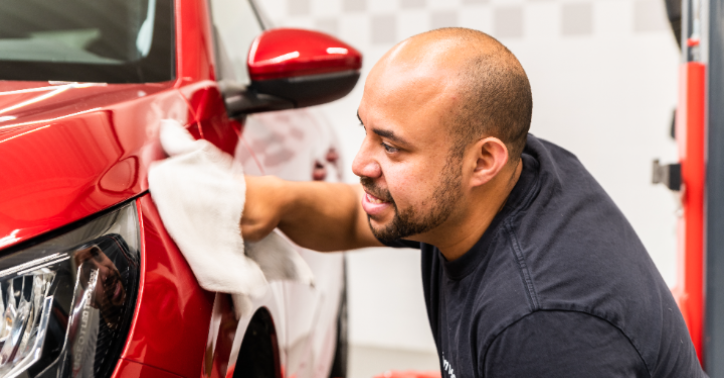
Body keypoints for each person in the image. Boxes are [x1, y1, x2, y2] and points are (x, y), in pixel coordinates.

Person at [241, 28, 705, 377]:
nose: (362, 163)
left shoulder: (541, 324)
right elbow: (352, 218)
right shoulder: (504, 177)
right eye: (366, 131)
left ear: (484, 160)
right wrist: (277, 200)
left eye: (392, 147)